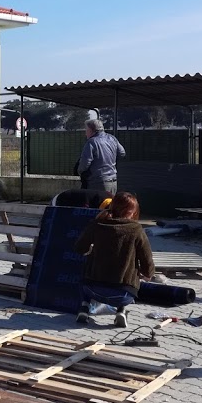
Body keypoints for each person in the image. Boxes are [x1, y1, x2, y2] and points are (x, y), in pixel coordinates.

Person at [74, 192, 154, 328]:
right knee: (129, 275)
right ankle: (121, 310)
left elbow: (79, 248)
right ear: (132, 211)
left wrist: (91, 250)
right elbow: (146, 259)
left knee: (87, 268)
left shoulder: (97, 224)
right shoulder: (136, 230)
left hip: (91, 289)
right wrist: (148, 274)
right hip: (122, 294)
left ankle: (85, 307)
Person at [77, 119, 125, 196]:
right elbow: (122, 153)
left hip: (98, 181)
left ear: (90, 130)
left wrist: (80, 172)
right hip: (113, 180)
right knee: (110, 205)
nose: (85, 133)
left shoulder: (91, 142)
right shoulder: (112, 138)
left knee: (98, 206)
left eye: (86, 130)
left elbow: (85, 163)